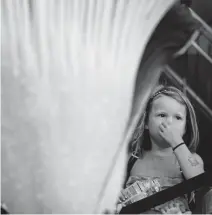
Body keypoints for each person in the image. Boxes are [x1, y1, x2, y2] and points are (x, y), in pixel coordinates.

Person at [117, 85, 204, 214]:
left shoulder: (190, 158)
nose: (169, 122)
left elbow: (199, 181)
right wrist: (118, 197)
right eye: (162, 115)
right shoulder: (133, 158)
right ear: (146, 122)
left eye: (178, 117)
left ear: (186, 128)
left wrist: (177, 142)